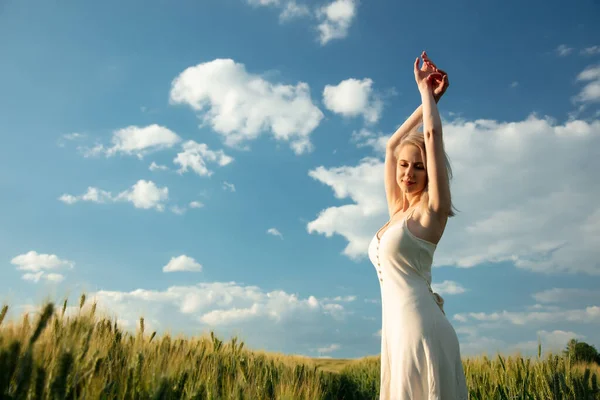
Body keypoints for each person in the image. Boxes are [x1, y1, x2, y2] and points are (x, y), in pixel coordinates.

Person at [367, 51, 468, 399]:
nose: (408, 173)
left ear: (430, 175)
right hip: (395, 333)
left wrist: (426, 93)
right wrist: (430, 100)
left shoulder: (431, 213)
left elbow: (432, 136)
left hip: (420, 328)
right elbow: (392, 144)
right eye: (404, 166)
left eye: (419, 168)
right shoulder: (397, 211)